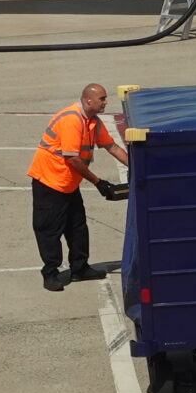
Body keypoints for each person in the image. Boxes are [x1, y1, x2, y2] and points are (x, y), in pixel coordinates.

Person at [28, 82, 126, 291]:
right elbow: (71, 159)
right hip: (50, 182)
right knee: (49, 230)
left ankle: (80, 267)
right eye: (102, 99)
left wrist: (138, 167)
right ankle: (50, 272)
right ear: (87, 100)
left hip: (69, 183)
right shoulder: (72, 120)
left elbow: (113, 147)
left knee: (77, 227)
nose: (105, 102)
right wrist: (99, 182)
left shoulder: (93, 122)